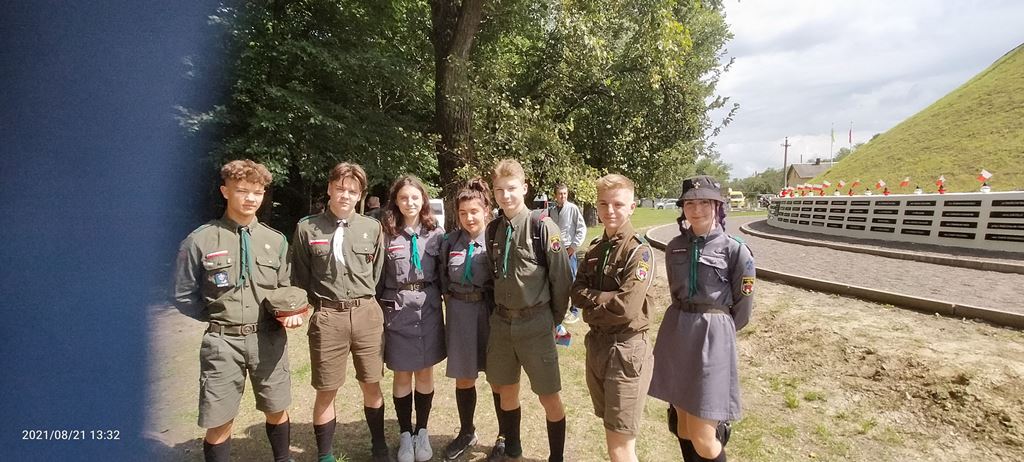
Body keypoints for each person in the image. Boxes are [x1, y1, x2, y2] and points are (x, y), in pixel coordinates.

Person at [173, 159, 302, 462]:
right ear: (225, 191)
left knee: (276, 407)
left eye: (257, 192)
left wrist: (289, 312)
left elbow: (285, 287)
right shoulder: (200, 240)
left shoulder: (275, 240)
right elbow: (182, 294)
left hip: (268, 339)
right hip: (223, 343)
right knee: (219, 418)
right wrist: (218, 317)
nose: (250, 199)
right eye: (242, 191)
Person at [649, 175, 756, 462]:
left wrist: (718, 332)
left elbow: (743, 307)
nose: (696, 210)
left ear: (718, 206)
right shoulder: (674, 247)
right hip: (677, 335)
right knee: (682, 426)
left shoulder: (736, 250)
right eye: (690, 204)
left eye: (705, 203)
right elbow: (675, 292)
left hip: (713, 339)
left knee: (704, 435)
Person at [291, 162, 389, 462]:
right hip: (328, 317)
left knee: (371, 383)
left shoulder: (372, 228)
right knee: (326, 388)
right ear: (329, 188)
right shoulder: (307, 228)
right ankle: (325, 455)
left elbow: (377, 273)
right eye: (340, 188)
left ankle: (379, 447)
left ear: (360, 195)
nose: (345, 195)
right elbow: (300, 277)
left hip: (366, 314)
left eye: (352, 191)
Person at [485, 159, 572, 462]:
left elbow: (562, 279)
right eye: (499, 190)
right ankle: (513, 449)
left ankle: (556, 457)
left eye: (511, 188)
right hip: (502, 324)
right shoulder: (493, 229)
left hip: (536, 323)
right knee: (506, 391)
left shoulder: (542, 226)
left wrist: (552, 320)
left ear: (524, 188)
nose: (505, 195)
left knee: (549, 395)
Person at [570, 174, 655, 462]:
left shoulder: (638, 251)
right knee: (612, 433)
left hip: (626, 350)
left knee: (621, 445)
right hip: (598, 346)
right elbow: (576, 293)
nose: (610, 210)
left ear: (632, 207)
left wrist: (591, 305)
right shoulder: (596, 248)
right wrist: (604, 297)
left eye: (618, 204)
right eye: (603, 203)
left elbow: (626, 308)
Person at [379, 175, 447, 462]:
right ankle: (405, 433)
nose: (410, 203)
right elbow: (378, 277)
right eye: (404, 198)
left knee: (425, 372)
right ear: (396, 201)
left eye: (415, 197)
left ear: (424, 200)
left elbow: (443, 274)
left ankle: (422, 431)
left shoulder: (436, 233)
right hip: (398, 309)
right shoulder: (386, 233)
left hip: (428, 307)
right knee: (402, 373)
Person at [438, 178, 503, 460]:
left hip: (490, 313)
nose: (469, 218)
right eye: (463, 213)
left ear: (486, 210)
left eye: (474, 211)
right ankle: (467, 431)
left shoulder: (496, 239)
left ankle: (504, 435)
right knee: (464, 378)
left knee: (498, 378)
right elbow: (443, 279)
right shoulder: (450, 242)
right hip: (460, 313)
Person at [549, 183, 586, 324]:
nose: (563, 196)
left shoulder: (572, 209)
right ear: (555, 195)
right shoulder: (552, 211)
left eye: (565, 193)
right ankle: (560, 309)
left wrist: (573, 246)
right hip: (556, 250)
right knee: (558, 280)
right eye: (560, 193)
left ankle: (575, 311)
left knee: (572, 279)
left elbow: (581, 228)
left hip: (569, 250)